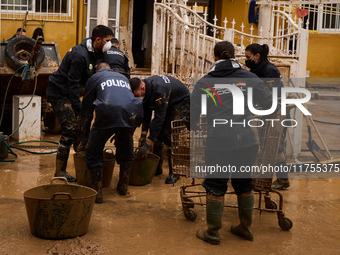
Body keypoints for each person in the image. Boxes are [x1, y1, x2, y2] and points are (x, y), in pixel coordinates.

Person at [191, 41, 273, 245]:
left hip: (218, 140)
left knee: (216, 184)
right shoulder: (250, 77)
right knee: (244, 184)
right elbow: (269, 103)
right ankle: (245, 228)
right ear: (235, 55)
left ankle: (213, 232)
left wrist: (195, 127)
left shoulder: (205, 82)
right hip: (246, 139)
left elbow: (192, 114)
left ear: (215, 57)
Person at [46, 25, 114, 182]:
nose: (109, 44)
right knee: (70, 128)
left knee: (83, 127)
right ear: (98, 40)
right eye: (107, 41)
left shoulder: (96, 52)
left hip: (74, 90)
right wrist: (79, 112)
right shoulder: (80, 55)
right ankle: (60, 171)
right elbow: (73, 86)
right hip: (59, 92)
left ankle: (81, 158)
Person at [77, 63, 143, 202]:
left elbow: (87, 110)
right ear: (110, 69)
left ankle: (98, 192)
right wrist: (123, 133)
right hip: (131, 112)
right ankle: (123, 186)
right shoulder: (123, 78)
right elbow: (126, 100)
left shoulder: (94, 78)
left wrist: (84, 139)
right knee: (126, 150)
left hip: (107, 111)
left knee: (93, 153)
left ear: (97, 70)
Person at [245, 43, 290, 190]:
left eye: (248, 57)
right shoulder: (256, 70)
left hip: (275, 114)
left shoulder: (269, 70)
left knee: (274, 146)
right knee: (265, 145)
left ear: (257, 56)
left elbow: (272, 96)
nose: (246, 60)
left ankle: (282, 179)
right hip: (265, 113)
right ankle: (262, 178)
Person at [129, 75, 190, 184]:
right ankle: (157, 168)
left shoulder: (159, 91)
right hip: (168, 102)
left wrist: (148, 144)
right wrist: (143, 136)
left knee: (169, 135)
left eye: (136, 95)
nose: (136, 98)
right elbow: (146, 114)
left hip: (180, 102)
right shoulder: (146, 89)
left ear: (141, 89)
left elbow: (159, 119)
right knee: (158, 136)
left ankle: (174, 173)